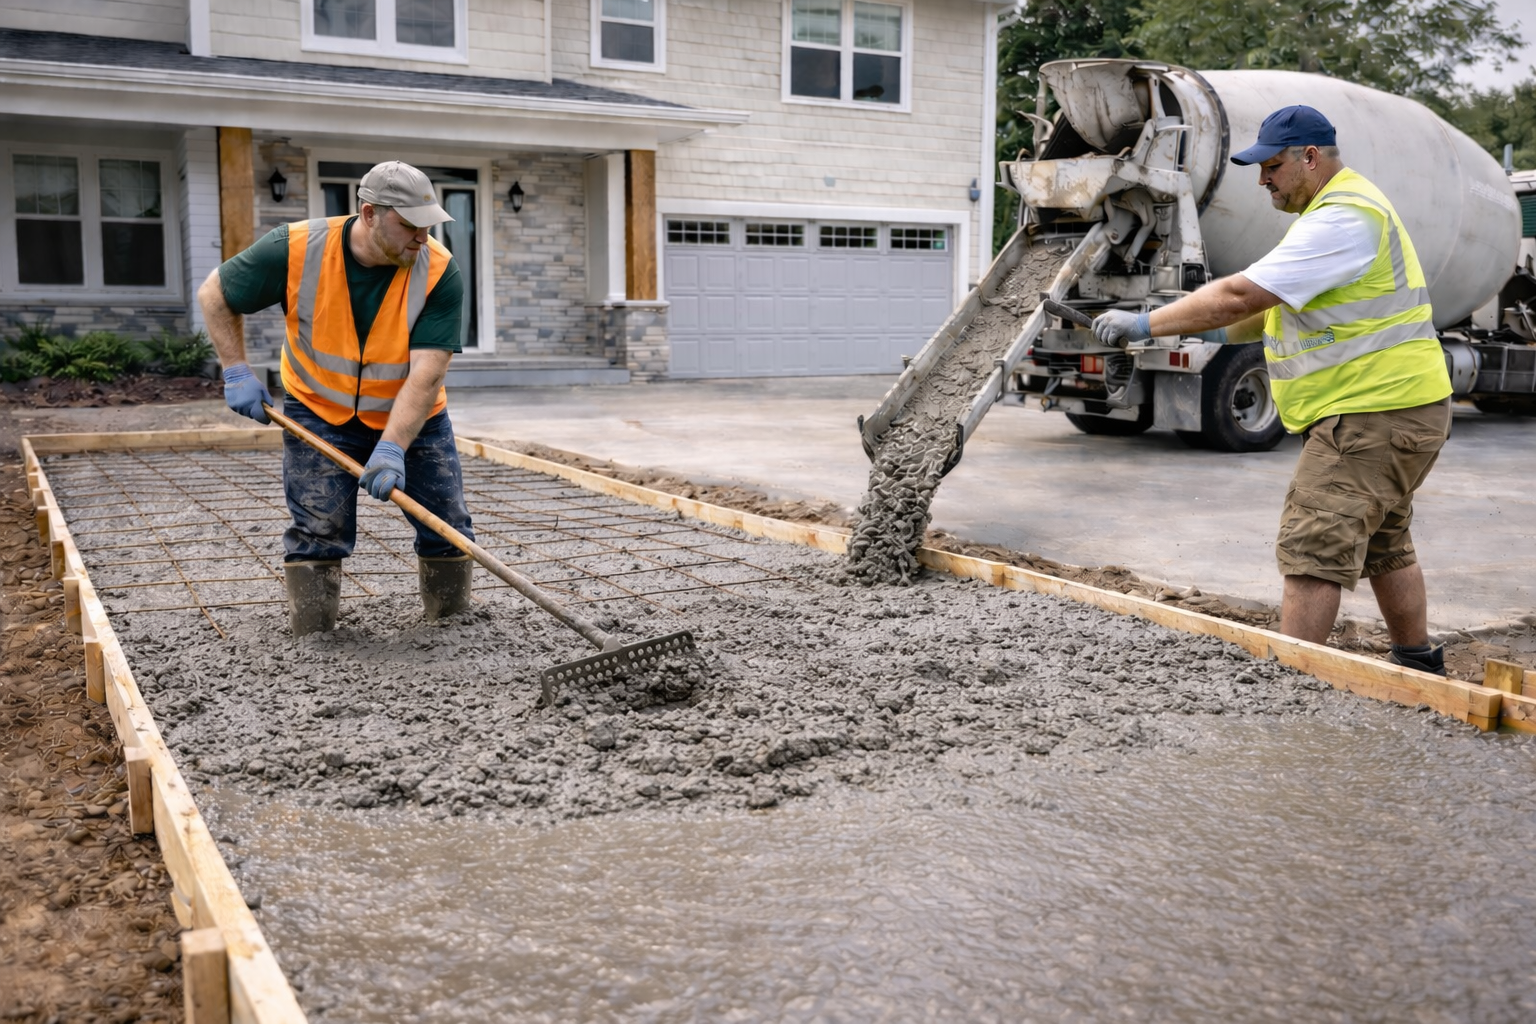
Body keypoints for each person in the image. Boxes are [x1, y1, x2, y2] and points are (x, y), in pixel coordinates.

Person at [1092, 106, 1453, 675]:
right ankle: (1418, 661)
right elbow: (1264, 313)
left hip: (1372, 410)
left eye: (1272, 166)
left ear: (1310, 157)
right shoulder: (1341, 211)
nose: (1262, 180)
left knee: (1312, 548)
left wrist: (1145, 323)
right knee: (1385, 540)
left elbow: (1241, 295)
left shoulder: (1343, 219)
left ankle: (1290, 685)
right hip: (1400, 407)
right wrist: (1196, 324)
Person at [198, 160, 476, 636]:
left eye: (428, 225)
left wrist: (391, 447)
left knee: (446, 522)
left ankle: (452, 632)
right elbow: (215, 294)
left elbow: (427, 374)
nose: (421, 237)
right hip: (319, 409)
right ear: (368, 214)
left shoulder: (439, 271)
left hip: (413, 415)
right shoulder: (296, 249)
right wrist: (236, 369)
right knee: (317, 528)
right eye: (409, 224)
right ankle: (314, 642)